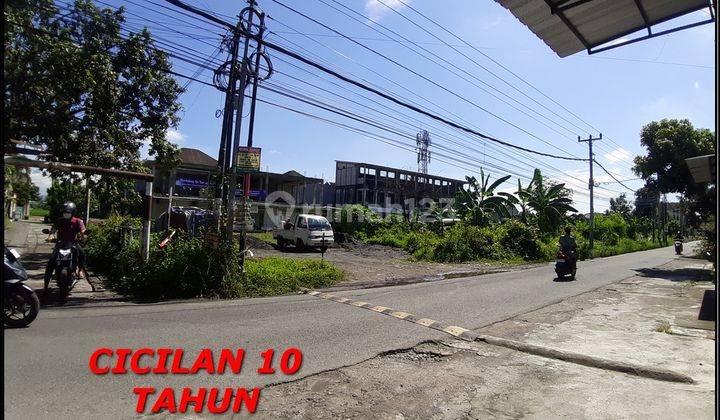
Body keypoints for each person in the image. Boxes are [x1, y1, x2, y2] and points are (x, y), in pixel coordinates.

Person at [43, 202, 87, 291]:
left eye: (68, 212)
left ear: (73, 212)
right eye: (65, 212)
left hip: (72, 244)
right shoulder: (59, 221)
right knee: (51, 262)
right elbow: (53, 231)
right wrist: (50, 237)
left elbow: (83, 231)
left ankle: (79, 270)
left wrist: (83, 236)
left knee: (82, 254)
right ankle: (46, 285)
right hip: (60, 244)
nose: (66, 214)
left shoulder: (77, 221)